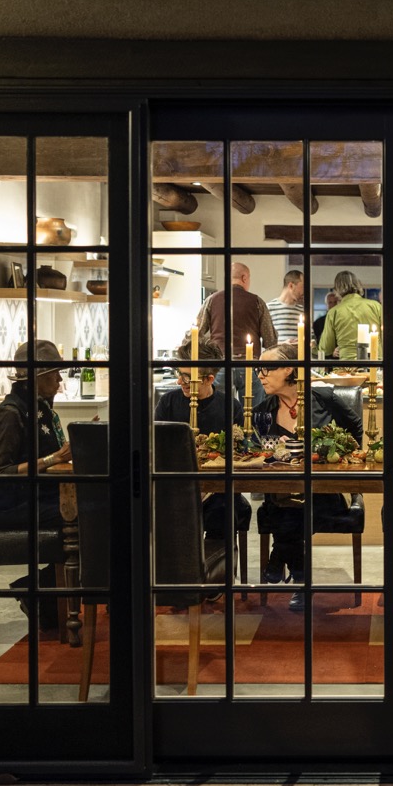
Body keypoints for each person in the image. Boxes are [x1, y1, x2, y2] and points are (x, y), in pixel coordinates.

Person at [252, 343, 364, 611]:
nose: (259, 375)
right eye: (258, 370)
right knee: (287, 509)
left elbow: (357, 430)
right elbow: (261, 452)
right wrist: (275, 450)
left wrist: (343, 454)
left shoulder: (324, 399)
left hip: (322, 493)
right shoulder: (263, 409)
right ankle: (303, 583)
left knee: (289, 514)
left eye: (266, 369)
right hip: (281, 494)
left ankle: (279, 557)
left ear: (290, 369)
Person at [155, 342, 253, 546]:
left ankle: (216, 571)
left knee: (224, 512)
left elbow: (239, 454)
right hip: (175, 487)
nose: (180, 381)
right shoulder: (168, 402)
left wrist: (209, 487)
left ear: (209, 379)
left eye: (187, 378)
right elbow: (157, 448)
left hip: (219, 490)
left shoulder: (229, 407)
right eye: (179, 373)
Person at [0, 339, 72, 530]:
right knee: (87, 511)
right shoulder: (10, 414)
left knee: (94, 502)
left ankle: (63, 561)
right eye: (54, 373)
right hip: (11, 506)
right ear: (37, 378)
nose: (59, 379)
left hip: (37, 497)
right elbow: (1, 473)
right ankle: (62, 561)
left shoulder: (38, 407)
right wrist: (54, 458)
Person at [190, 261, 277, 406]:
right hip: (250, 365)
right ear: (244, 278)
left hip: (221, 364)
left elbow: (195, 333)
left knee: (220, 411)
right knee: (253, 413)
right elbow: (270, 341)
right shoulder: (256, 301)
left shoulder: (212, 300)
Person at [318, 270, 382, 361]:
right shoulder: (376, 306)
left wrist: (313, 348)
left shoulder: (334, 312)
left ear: (337, 288)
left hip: (347, 367)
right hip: (375, 363)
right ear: (357, 285)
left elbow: (325, 349)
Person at [266, 269, 304, 343]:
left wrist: (311, 342)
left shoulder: (302, 310)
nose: (304, 291)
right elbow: (264, 342)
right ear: (291, 286)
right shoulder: (268, 308)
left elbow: (311, 337)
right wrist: (283, 345)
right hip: (277, 354)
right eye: (303, 286)